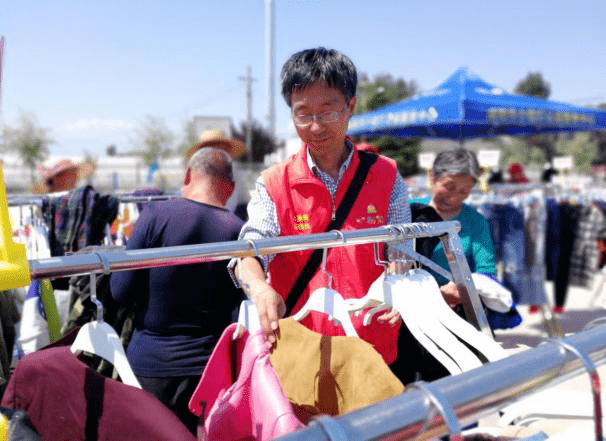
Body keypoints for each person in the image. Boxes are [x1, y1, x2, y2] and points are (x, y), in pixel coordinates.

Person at [231, 47, 412, 366]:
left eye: (327, 111)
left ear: (350, 107)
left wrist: (398, 285)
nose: (315, 126)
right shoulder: (274, 183)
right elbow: (249, 251)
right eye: (303, 114)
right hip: (301, 350)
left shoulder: (386, 175)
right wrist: (260, 290)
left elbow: (401, 250)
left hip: (372, 346)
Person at [109, 147, 245, 434]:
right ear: (230, 188)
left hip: (149, 365)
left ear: (187, 175)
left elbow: (120, 291)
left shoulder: (155, 215)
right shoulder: (238, 231)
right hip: (209, 372)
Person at [410, 148, 497, 306]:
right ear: (433, 176)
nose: (454, 197)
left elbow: (487, 270)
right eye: (449, 187)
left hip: (455, 310)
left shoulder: (476, 222)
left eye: (464, 191)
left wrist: (463, 291)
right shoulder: (408, 211)